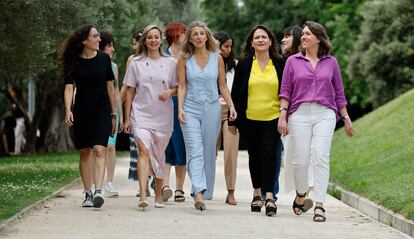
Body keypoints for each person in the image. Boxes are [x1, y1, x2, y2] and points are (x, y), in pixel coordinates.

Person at [278, 21, 355, 222]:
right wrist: (283, 115)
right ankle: (301, 193)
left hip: (325, 114)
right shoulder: (293, 62)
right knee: (300, 160)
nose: (302, 37)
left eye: (307, 34)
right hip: (299, 114)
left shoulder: (331, 62)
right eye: (302, 34)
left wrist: (346, 118)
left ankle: (319, 204)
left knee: (321, 156)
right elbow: (285, 91)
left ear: (318, 38)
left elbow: (339, 93)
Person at [177, 21, 237, 211]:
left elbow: (222, 85)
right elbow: (182, 86)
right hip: (190, 108)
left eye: (202, 33)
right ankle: (199, 192)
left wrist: (231, 105)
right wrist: (179, 108)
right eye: (195, 34)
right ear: (190, 39)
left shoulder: (217, 58)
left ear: (207, 36)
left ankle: (204, 189)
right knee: (194, 149)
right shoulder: (184, 58)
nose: (199, 37)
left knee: (208, 150)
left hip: (212, 108)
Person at [60, 23, 116, 208]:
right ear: (84, 40)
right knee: (85, 152)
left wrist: (114, 114)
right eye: (95, 36)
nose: (99, 39)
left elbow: (110, 87)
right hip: (82, 110)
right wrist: (68, 109)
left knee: (100, 149)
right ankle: (88, 193)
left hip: (102, 110)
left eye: (98, 36)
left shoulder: (104, 59)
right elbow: (69, 88)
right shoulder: (73, 61)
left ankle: (98, 191)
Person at [231, 25, 285, 216]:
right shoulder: (245, 64)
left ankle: (269, 196)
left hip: (273, 118)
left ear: (270, 41)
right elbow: (236, 93)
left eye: (264, 37)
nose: (260, 40)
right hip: (249, 119)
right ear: (252, 43)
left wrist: (285, 116)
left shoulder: (280, 63)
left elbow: (286, 92)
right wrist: (233, 121)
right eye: (257, 38)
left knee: (270, 155)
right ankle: (256, 194)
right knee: (255, 156)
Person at [123, 25, 178, 210]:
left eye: (156, 37)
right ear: (144, 41)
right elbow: (129, 92)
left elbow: (180, 86)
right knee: (143, 151)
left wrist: (170, 91)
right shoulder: (136, 63)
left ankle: (159, 194)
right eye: (149, 37)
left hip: (163, 117)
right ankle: (143, 194)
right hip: (141, 115)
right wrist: (127, 118)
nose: (153, 40)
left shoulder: (171, 62)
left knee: (159, 155)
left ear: (161, 40)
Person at [280, 25, 314, 212]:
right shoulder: (283, 61)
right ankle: (301, 193)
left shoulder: (308, 61)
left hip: (304, 114)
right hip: (288, 115)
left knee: (308, 153)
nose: (283, 40)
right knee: (293, 155)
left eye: (287, 36)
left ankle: (303, 194)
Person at [161, 22, 187, 203]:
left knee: (182, 144)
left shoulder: (188, 57)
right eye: (185, 33)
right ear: (177, 35)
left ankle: (180, 188)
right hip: (163, 105)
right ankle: (164, 185)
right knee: (165, 145)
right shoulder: (162, 57)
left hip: (183, 104)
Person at [213, 31, 239, 206]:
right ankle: (203, 188)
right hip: (211, 110)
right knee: (209, 151)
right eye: (225, 46)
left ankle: (231, 192)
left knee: (231, 152)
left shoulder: (236, 66)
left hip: (232, 112)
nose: (229, 49)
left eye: (231, 46)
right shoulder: (207, 63)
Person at [98, 31, 124, 197]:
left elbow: (116, 90)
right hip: (96, 109)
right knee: (96, 148)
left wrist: (120, 115)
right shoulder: (91, 64)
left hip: (111, 110)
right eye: (110, 46)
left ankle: (109, 183)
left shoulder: (114, 67)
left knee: (110, 146)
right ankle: (96, 183)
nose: (113, 49)